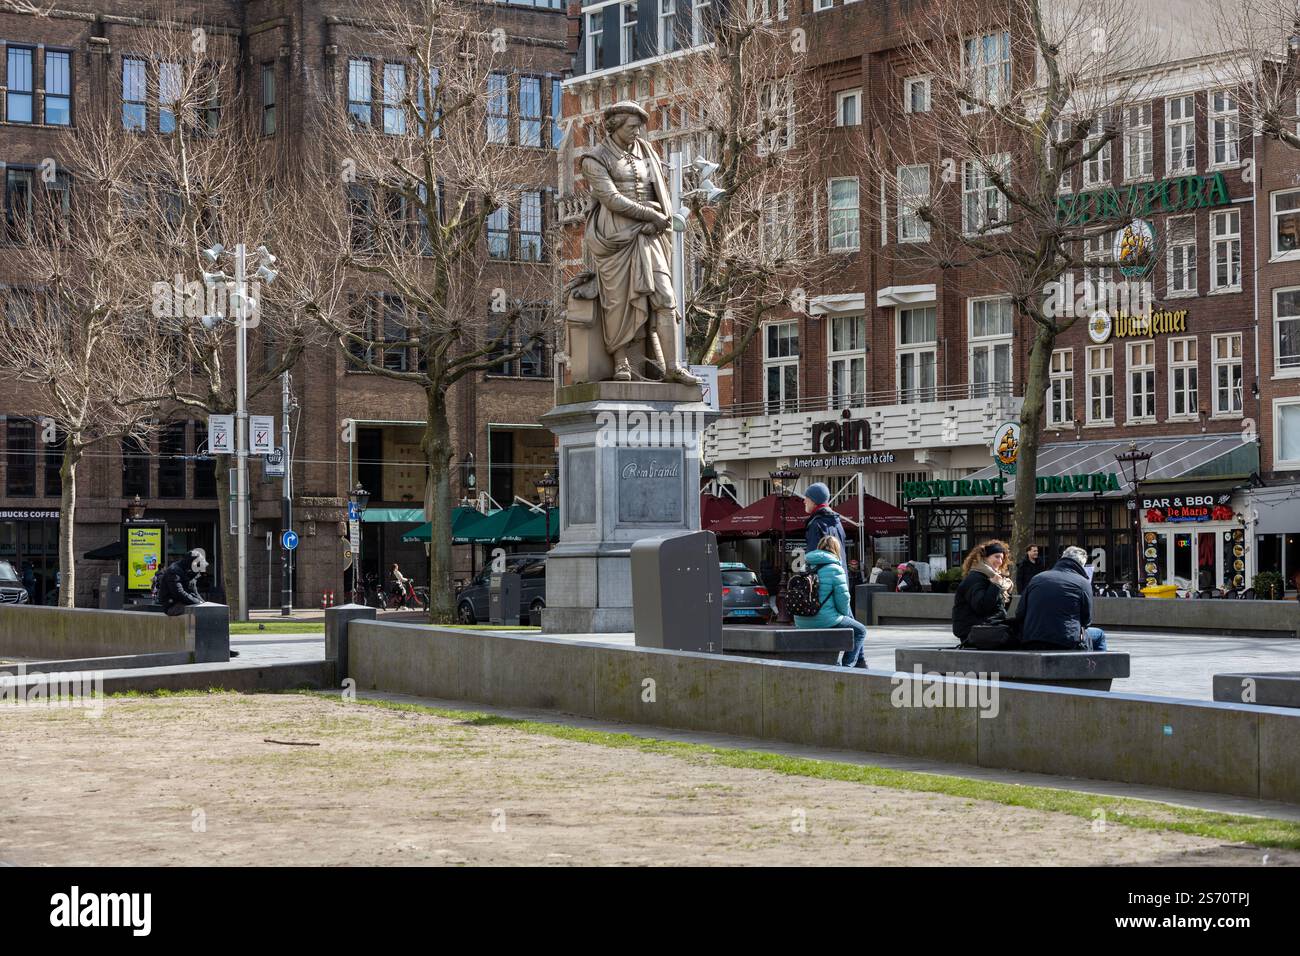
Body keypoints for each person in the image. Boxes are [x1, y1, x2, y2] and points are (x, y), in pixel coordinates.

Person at [793, 535, 869, 668]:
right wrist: (844, 615)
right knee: (860, 630)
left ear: (819, 547)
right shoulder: (835, 569)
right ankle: (847, 666)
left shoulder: (805, 566)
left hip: (801, 619)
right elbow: (843, 599)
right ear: (836, 550)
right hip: (825, 619)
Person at [1015, 545, 1108, 650]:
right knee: (1099, 635)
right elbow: (1087, 620)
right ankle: (1096, 666)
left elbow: (1020, 612)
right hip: (1066, 640)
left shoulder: (1037, 578)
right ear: (1082, 564)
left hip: (1032, 638)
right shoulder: (1083, 583)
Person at [951, 541, 1014, 644]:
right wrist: (996, 586)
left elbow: (1000, 610)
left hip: (986, 627)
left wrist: (1006, 591)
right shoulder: (975, 578)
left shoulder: (992, 577)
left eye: (1002, 558)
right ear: (985, 558)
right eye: (997, 557)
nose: (1000, 561)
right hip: (974, 631)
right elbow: (982, 607)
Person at [802, 483, 846, 565]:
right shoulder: (838, 522)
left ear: (814, 501)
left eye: (807, 498)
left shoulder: (816, 524)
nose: (804, 501)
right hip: (840, 575)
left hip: (823, 576)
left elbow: (813, 558)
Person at [159, 549, 207, 616]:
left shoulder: (189, 572)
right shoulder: (174, 571)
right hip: (172, 605)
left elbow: (194, 592)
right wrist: (198, 602)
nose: (199, 571)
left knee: (206, 610)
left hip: (184, 602)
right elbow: (179, 593)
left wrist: (204, 604)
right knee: (199, 612)